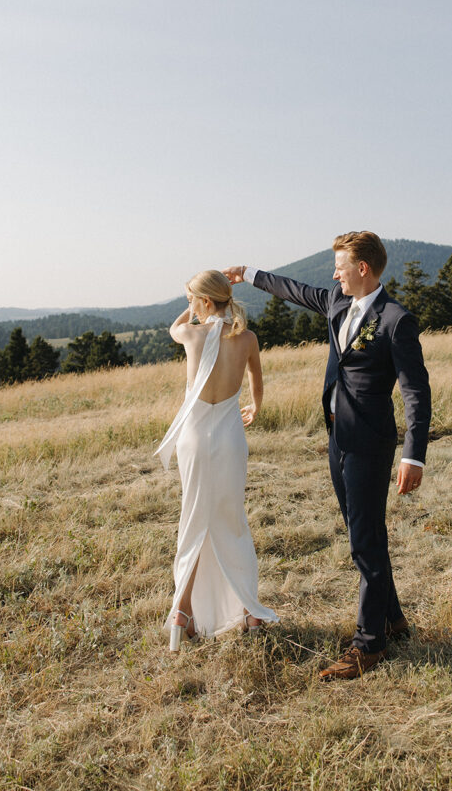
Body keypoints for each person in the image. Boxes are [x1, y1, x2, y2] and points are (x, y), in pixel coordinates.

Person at [224, 231, 431, 679]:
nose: (333, 273)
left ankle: (368, 643)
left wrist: (413, 455)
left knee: (364, 541)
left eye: (340, 265)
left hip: (371, 444)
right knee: (365, 533)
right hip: (337, 437)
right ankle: (392, 619)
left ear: (362, 268)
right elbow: (295, 291)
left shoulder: (396, 320)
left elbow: (416, 391)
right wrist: (249, 274)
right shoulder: (337, 303)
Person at [155, 269, 279, 651]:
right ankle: (248, 610)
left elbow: (175, 326)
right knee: (232, 519)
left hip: (193, 439)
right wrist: (255, 407)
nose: (191, 305)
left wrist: (191, 306)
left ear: (204, 303)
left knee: (192, 518)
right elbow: (257, 380)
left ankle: (183, 612)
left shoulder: (191, 334)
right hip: (228, 438)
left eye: (194, 298)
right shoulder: (247, 339)